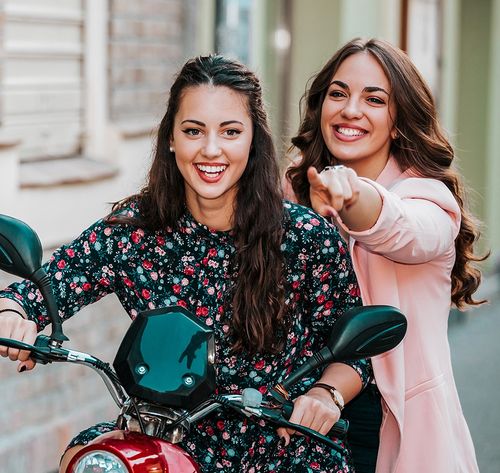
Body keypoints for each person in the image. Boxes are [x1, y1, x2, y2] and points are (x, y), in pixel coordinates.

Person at [0, 55, 369, 473]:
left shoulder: (304, 237)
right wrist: (14, 314)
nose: (211, 150)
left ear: (253, 140)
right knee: (88, 455)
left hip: (280, 444)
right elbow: (41, 287)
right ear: (171, 138)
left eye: (230, 132)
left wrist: (325, 395)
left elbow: (355, 351)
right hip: (162, 443)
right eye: (194, 131)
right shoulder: (134, 231)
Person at [284, 38, 487, 473]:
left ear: (398, 122)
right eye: (338, 94)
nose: (350, 109)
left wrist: (351, 192)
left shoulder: (429, 201)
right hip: (294, 413)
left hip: (390, 426)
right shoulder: (294, 191)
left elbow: (400, 227)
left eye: (374, 99)